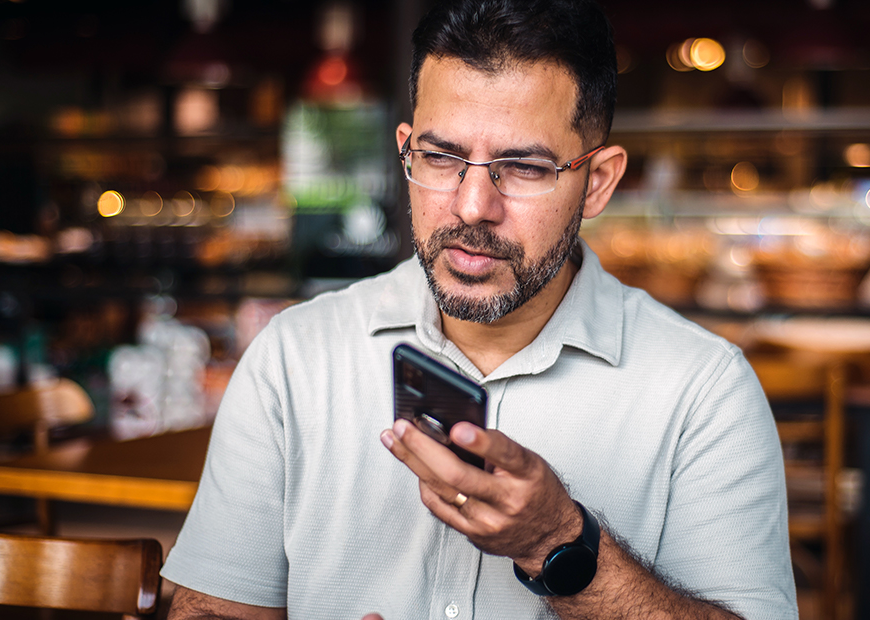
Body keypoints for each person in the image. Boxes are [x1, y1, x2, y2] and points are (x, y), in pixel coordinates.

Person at [160, 1, 796, 618]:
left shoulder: (705, 391)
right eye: (440, 158)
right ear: (407, 150)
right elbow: (210, 608)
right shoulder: (293, 357)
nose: (471, 206)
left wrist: (559, 545)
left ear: (597, 182)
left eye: (521, 167)